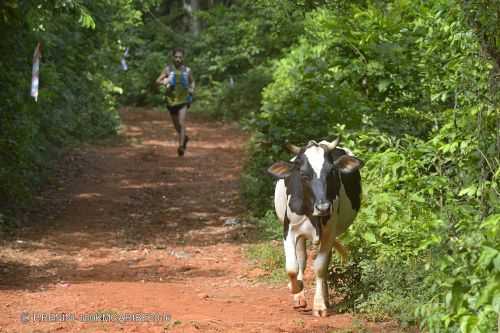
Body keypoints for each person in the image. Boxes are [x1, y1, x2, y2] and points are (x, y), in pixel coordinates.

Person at [156, 48, 195, 156]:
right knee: (177, 125)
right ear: (172, 57)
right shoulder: (168, 69)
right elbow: (157, 81)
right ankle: (185, 138)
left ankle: (181, 146)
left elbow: (192, 82)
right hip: (171, 100)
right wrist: (165, 81)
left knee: (182, 123)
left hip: (183, 100)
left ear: (183, 58)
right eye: (176, 57)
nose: (178, 59)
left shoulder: (187, 70)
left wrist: (192, 90)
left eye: (180, 57)